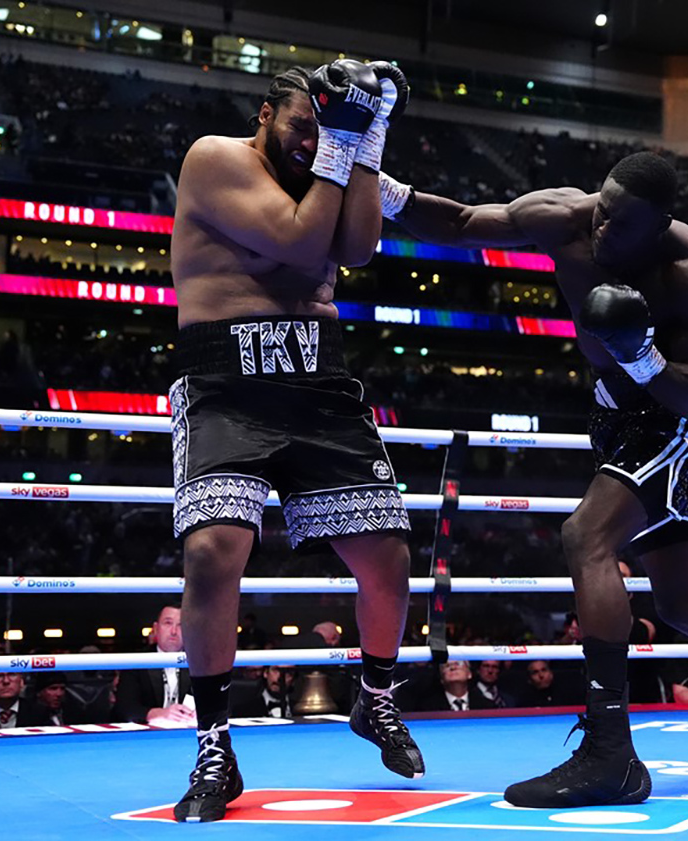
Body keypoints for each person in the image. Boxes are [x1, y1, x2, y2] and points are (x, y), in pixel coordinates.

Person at [381, 152, 688, 807]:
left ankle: (610, 752)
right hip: (617, 420)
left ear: (659, 226)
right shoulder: (565, 216)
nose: (602, 229)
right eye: (603, 210)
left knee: (586, 536)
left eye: (621, 225)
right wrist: (379, 182)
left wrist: (641, 356)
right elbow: (465, 220)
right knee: (683, 602)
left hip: (681, 420)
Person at [169, 59, 420, 822]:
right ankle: (213, 741)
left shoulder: (337, 169)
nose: (314, 142)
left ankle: (374, 696)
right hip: (227, 379)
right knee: (214, 550)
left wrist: (367, 137)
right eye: (302, 127)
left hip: (318, 380)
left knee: (389, 557)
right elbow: (303, 245)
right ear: (264, 113)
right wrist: (348, 139)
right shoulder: (215, 159)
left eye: (326, 127)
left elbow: (361, 249)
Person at [114, 604, 194, 724]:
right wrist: (158, 714)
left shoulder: (199, 662)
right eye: (168, 623)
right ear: (156, 629)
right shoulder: (137, 661)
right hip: (146, 737)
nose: (173, 631)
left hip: (188, 732)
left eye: (181, 625)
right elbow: (124, 708)